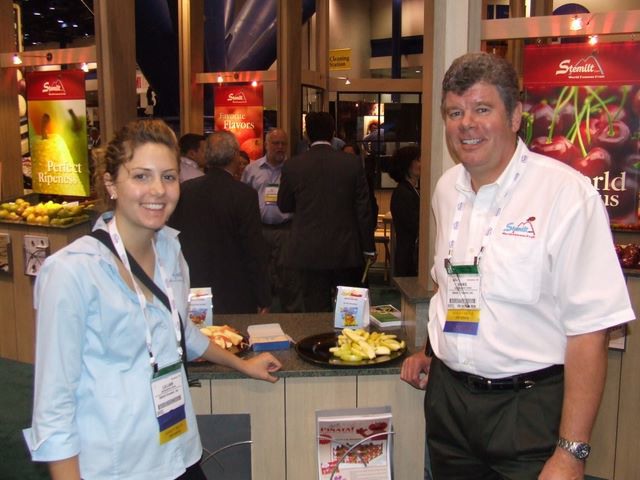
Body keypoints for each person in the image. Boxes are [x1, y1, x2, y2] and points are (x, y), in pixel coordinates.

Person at [400, 52, 635, 479]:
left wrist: (571, 452)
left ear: (514, 117)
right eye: (455, 112)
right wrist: (434, 349)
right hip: (449, 404)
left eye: (481, 109)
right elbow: (451, 286)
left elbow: (591, 331)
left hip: (527, 410)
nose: (466, 124)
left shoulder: (566, 195)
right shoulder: (446, 189)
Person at [22, 119, 281, 480]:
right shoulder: (72, 272)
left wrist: (243, 363)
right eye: (141, 176)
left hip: (180, 452)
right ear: (111, 183)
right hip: (118, 467)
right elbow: (53, 409)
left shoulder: (171, 251)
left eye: (169, 177)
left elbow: (182, 333)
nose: (158, 190)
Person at [278, 112, 375, 312]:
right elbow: (363, 209)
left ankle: (318, 331)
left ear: (307, 134)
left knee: (315, 308)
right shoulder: (352, 164)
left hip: (308, 249)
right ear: (333, 133)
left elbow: (284, 204)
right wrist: (368, 247)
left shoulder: (293, 165)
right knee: (348, 309)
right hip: (346, 249)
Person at [169, 130, 271, 314]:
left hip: (195, 286)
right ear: (235, 156)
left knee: (198, 331)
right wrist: (263, 296)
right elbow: (253, 250)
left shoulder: (185, 190)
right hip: (235, 290)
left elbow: (173, 238)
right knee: (234, 332)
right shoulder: (244, 195)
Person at [242, 128, 303, 312]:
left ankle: (292, 318)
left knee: (289, 276)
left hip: (287, 230)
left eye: (283, 143)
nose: (280, 147)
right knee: (261, 273)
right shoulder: (252, 169)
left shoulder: (294, 169)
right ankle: (263, 315)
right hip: (260, 230)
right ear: (266, 145)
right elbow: (243, 199)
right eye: (276, 143)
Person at [389, 145, 420, 277]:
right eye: (417, 160)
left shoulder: (410, 190)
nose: (421, 164)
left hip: (409, 253)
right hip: (408, 254)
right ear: (407, 165)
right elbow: (413, 224)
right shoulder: (403, 192)